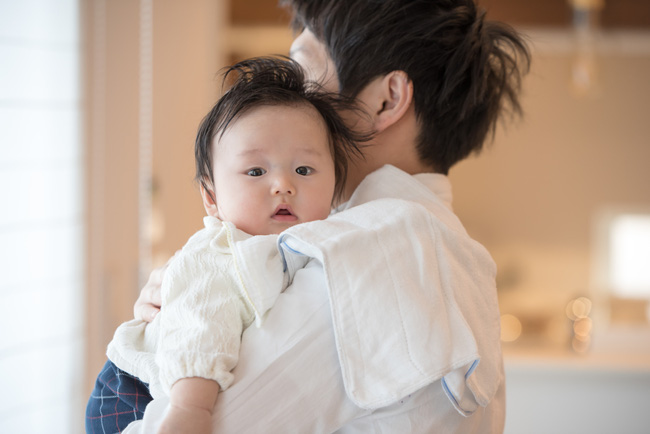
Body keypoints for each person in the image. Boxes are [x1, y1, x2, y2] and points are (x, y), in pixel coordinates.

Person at [127, 0, 531, 432]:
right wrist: (189, 296)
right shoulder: (444, 248)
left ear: (386, 100)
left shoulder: (370, 251)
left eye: (304, 74)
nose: (290, 97)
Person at [85, 57, 363, 434]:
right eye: (256, 171)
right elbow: (199, 324)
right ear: (211, 197)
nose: (283, 185)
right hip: (132, 391)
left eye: (303, 170)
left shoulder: (313, 242)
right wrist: (190, 407)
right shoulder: (218, 255)